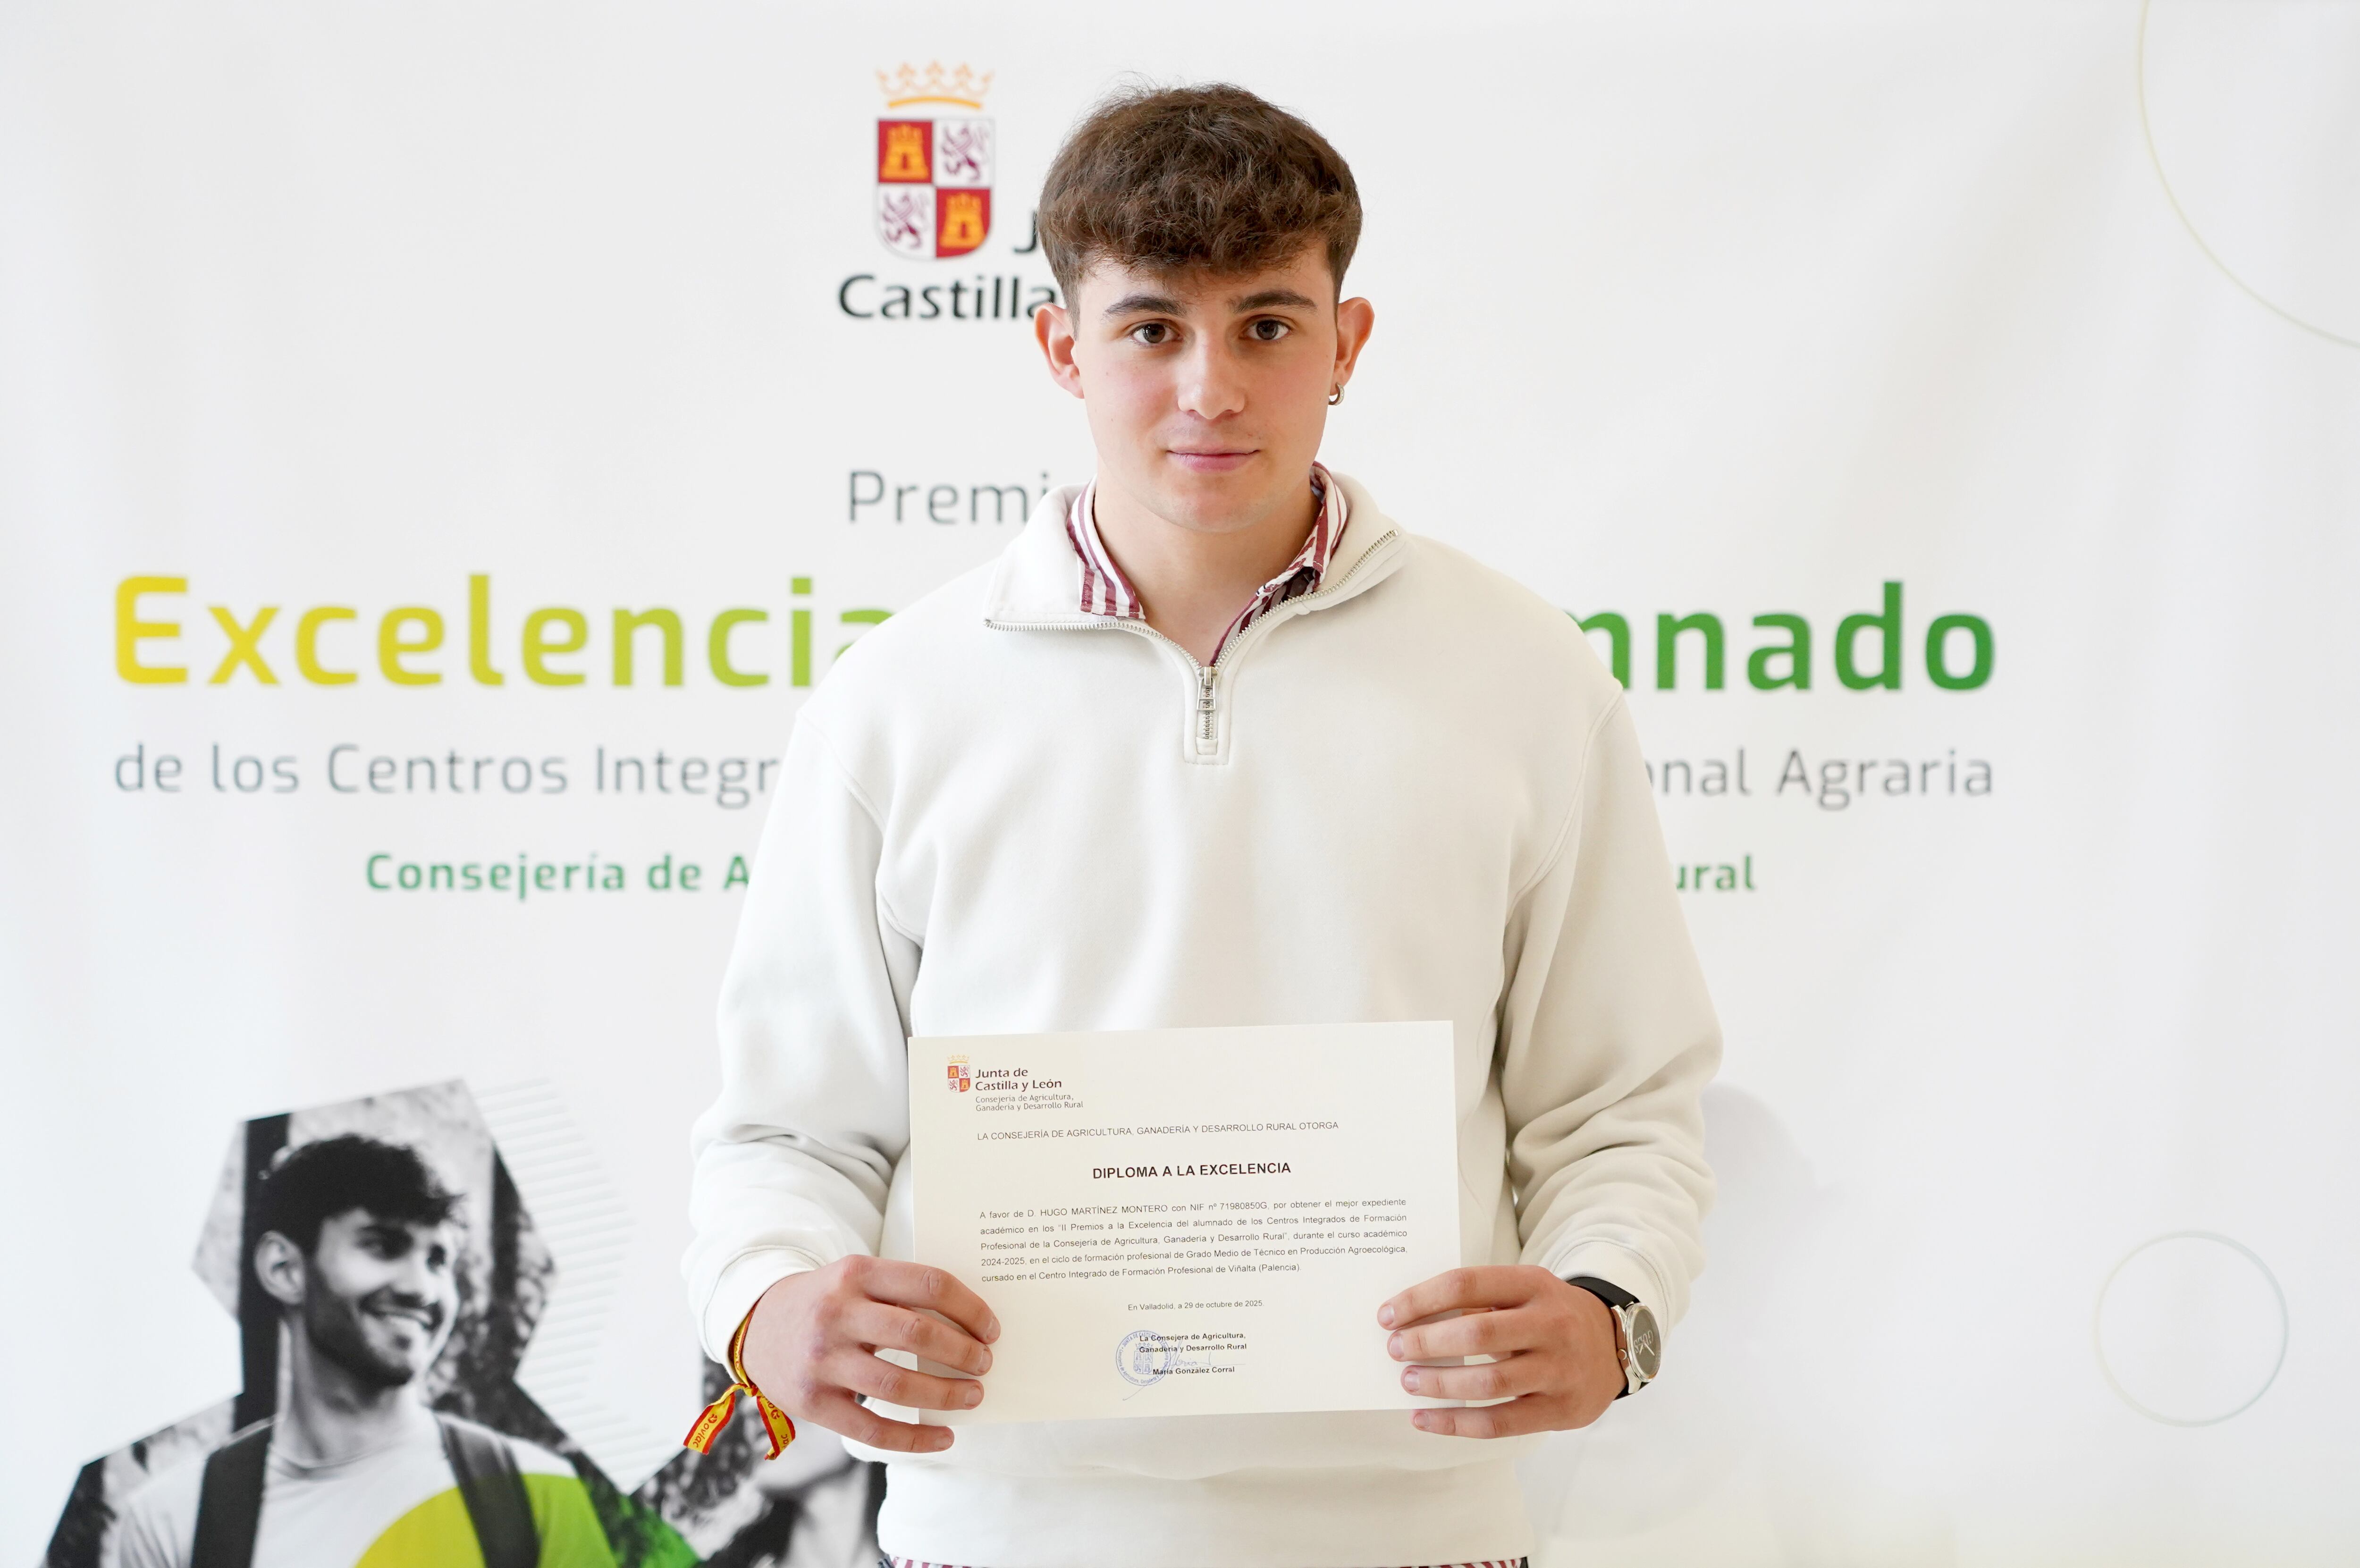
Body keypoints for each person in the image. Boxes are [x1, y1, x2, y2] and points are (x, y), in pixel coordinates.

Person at [684, 83, 1719, 1567]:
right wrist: (765, 1298)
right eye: (1152, 328)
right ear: (1063, 347)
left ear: (1345, 345)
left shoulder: (1524, 678)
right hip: (998, 1532)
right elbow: (787, 1130)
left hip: (1415, 1527)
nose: (1210, 388)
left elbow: (1616, 1110)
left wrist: (1611, 1308)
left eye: (1268, 325)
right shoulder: (893, 700)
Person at [110, 1134, 615, 1568]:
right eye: (382, 1246)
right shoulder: (177, 1522)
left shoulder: (533, 1497)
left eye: (438, 1260)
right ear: (285, 1269)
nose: (422, 1288)